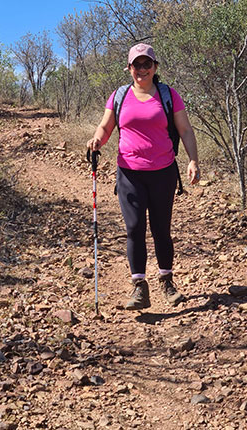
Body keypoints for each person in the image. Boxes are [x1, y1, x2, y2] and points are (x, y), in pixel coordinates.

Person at [87, 43, 200, 311]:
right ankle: (140, 288)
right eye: (136, 65)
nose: (142, 69)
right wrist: (97, 140)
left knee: (161, 229)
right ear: (129, 68)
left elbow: (185, 130)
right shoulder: (119, 96)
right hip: (129, 173)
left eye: (146, 64)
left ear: (155, 67)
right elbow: (106, 126)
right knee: (134, 228)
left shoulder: (168, 95)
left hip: (163, 172)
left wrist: (193, 159)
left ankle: (167, 282)